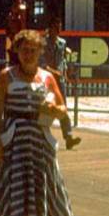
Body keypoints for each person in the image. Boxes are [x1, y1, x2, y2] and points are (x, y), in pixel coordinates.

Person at [0, 29, 73, 216]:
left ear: (40, 52)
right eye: (24, 50)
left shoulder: (47, 78)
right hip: (13, 137)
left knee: (31, 191)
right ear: (17, 51)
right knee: (12, 188)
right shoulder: (6, 76)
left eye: (33, 50)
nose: (28, 54)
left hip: (37, 138)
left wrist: (54, 109)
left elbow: (63, 108)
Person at [41, 17, 82, 150]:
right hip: (46, 81)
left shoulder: (62, 43)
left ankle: (68, 136)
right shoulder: (43, 43)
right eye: (56, 26)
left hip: (60, 82)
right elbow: (42, 64)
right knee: (45, 108)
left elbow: (62, 61)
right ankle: (41, 136)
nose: (59, 29)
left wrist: (66, 71)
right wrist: (55, 72)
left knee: (62, 108)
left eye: (60, 26)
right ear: (50, 28)